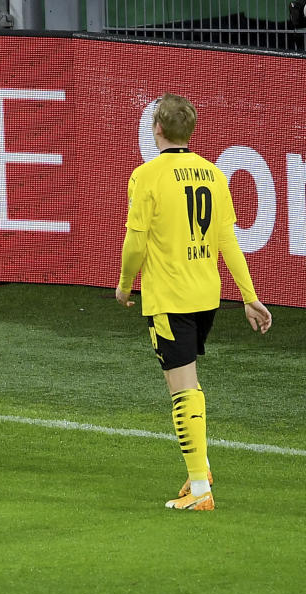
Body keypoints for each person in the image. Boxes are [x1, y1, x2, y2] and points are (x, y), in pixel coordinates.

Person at [115, 93, 272, 511]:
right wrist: (250, 297)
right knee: (190, 382)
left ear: (158, 130)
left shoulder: (145, 176)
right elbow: (227, 241)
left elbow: (135, 242)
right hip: (207, 297)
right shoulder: (213, 174)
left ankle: (201, 490)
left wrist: (125, 283)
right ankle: (198, 466)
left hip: (170, 298)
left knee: (181, 389)